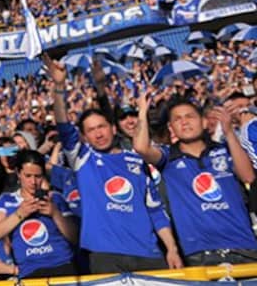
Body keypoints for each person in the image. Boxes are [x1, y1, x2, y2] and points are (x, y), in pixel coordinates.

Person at [47, 54, 183, 273]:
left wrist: (172, 248)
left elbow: (155, 211)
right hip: (106, 257)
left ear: (112, 128)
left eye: (101, 127)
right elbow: (63, 124)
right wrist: (60, 86)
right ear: (84, 137)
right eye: (91, 130)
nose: (98, 134)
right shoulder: (83, 158)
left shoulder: (136, 160)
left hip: (148, 254)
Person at [133, 95, 257, 265]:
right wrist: (142, 111)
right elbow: (141, 147)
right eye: (177, 119)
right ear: (171, 128)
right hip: (199, 253)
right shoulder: (168, 157)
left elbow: (248, 176)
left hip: (244, 247)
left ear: (204, 122)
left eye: (189, 116)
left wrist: (229, 132)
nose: (184, 122)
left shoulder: (226, 150)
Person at [0, 150, 78, 278]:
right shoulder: (7, 200)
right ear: (18, 173)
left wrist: (55, 214)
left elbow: (75, 237)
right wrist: (20, 214)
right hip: (30, 270)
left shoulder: (55, 198)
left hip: (62, 265)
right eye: (28, 176)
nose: (33, 182)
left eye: (38, 176)